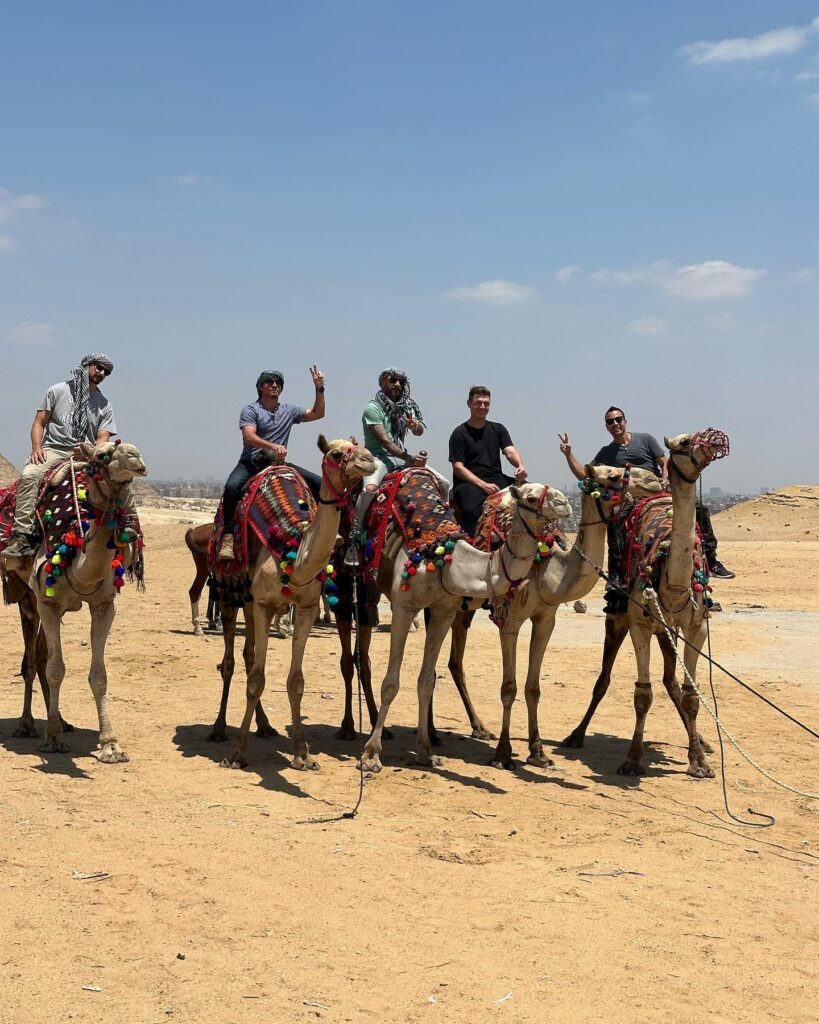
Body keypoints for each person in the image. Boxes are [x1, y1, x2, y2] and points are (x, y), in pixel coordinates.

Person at [559, 405, 734, 584]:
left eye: (618, 419)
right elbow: (585, 474)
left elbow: (664, 463)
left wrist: (665, 480)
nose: (615, 423)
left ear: (625, 422)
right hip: (631, 495)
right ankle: (616, 575)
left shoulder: (645, 440)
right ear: (607, 427)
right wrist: (568, 454)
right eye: (611, 421)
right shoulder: (606, 452)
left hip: (656, 489)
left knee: (699, 509)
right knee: (616, 521)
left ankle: (711, 561)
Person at [2, 353, 136, 565]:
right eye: (98, 367)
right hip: (53, 449)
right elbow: (39, 423)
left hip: (85, 453)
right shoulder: (57, 391)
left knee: (120, 471)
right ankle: (22, 536)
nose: (101, 373)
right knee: (29, 475)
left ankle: (128, 522)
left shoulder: (104, 404)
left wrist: (89, 449)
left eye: (106, 371)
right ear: (86, 366)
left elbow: (102, 439)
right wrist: (37, 447)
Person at [344, 368, 449, 567]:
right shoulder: (372, 408)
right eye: (393, 380)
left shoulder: (405, 407)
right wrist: (409, 458)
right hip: (379, 458)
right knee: (370, 490)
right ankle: (354, 539)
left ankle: (445, 529)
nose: (397, 385)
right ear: (382, 382)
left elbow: (419, 431)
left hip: (401, 457)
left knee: (444, 484)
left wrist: (413, 425)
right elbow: (384, 441)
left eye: (401, 381)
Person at [218, 366, 325, 560]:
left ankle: (322, 530)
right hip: (252, 462)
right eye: (270, 382)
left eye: (278, 382)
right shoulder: (251, 410)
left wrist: (319, 389)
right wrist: (273, 446)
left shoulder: (289, 410)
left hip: (279, 464)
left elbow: (318, 413)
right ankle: (228, 536)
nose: (274, 385)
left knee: (321, 485)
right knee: (232, 487)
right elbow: (249, 436)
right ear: (260, 388)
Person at [448, 385, 528, 538]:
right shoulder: (459, 433)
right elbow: (458, 467)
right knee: (472, 510)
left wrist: (520, 466)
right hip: (468, 483)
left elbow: (509, 451)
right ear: (469, 403)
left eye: (486, 403)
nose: (482, 407)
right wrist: (483, 485)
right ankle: (472, 547)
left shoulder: (498, 429)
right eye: (478, 402)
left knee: (533, 495)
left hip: (496, 478)